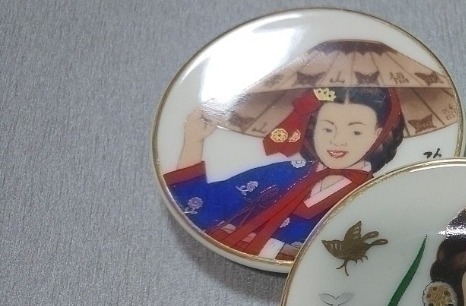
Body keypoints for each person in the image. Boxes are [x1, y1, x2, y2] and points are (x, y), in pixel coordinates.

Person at [164, 86, 404, 261]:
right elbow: (201, 203)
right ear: (312, 128)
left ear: (379, 135)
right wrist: (194, 140)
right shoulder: (282, 173)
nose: (337, 141)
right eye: (327, 128)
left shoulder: (375, 197)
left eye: (356, 132)